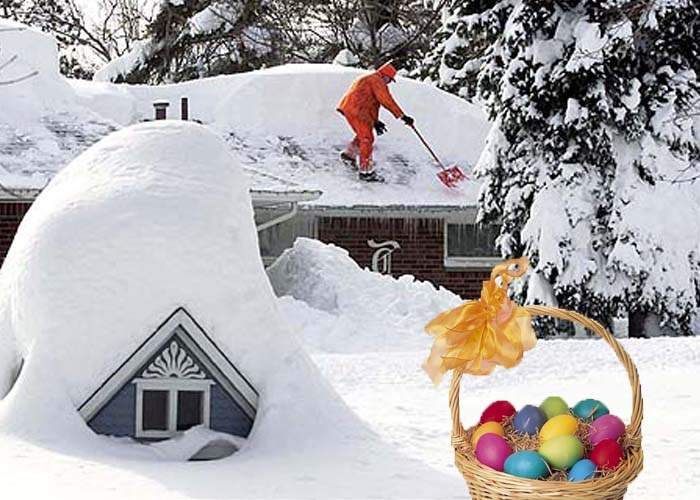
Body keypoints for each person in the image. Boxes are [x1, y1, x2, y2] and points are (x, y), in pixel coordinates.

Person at [336, 62, 414, 182]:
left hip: (357, 109)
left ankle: (349, 155)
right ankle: (366, 172)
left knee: (363, 134)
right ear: (385, 76)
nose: (389, 83)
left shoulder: (371, 79)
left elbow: (372, 104)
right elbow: (386, 100)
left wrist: (375, 121)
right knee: (367, 138)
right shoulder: (376, 81)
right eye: (390, 80)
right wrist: (402, 116)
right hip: (356, 110)